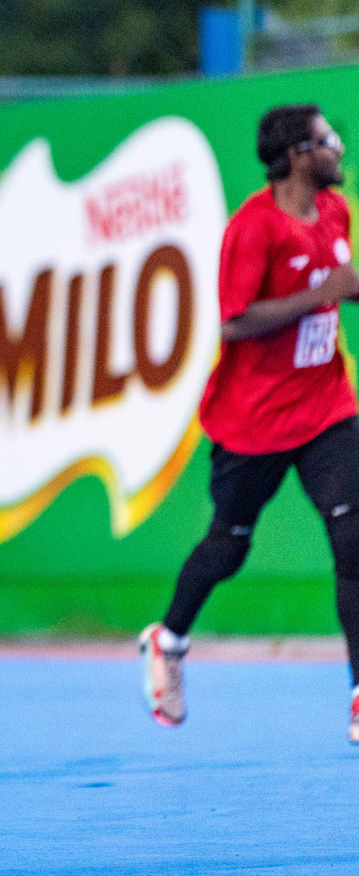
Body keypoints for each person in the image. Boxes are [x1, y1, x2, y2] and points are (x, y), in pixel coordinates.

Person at [141, 105, 359, 738]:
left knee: (353, 538)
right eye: (325, 141)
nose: (336, 148)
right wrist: (322, 293)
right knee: (229, 546)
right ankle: (169, 640)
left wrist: (345, 289)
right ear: (293, 156)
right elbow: (233, 321)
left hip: (326, 407)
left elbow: (342, 284)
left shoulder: (337, 212)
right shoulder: (254, 229)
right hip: (253, 421)